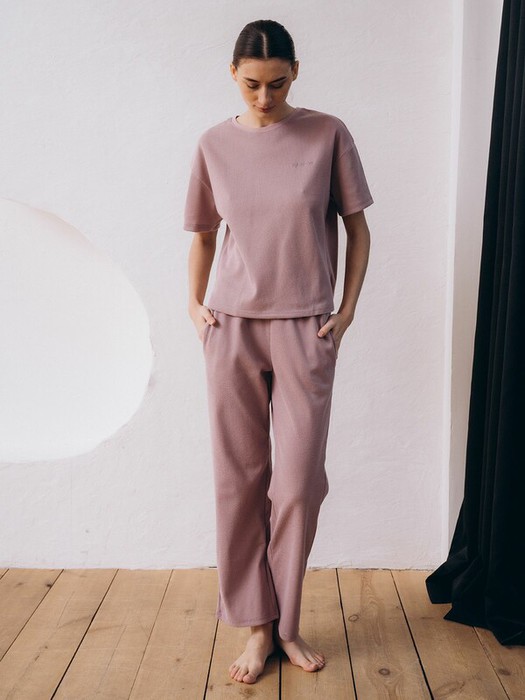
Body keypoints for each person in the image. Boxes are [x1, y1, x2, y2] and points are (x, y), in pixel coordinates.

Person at [183, 18, 373, 685]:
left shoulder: (327, 134)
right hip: (231, 326)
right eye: (252, 85)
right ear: (233, 75)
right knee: (237, 481)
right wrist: (194, 305)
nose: (264, 98)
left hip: (305, 328)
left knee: (297, 485)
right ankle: (255, 626)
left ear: (295, 74)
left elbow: (357, 228)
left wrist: (346, 310)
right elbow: (203, 235)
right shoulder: (213, 144)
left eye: (278, 84)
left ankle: (286, 621)